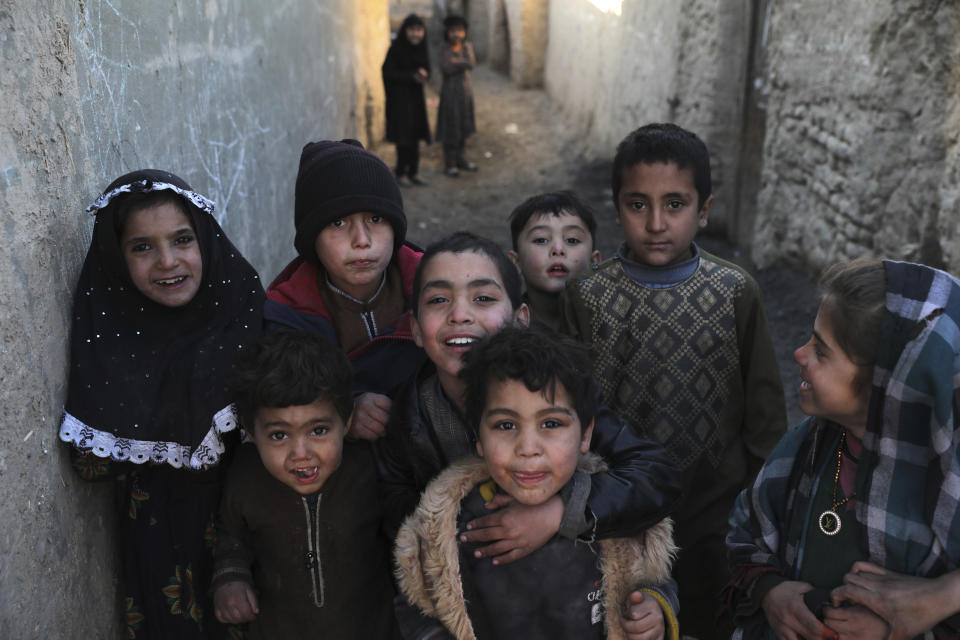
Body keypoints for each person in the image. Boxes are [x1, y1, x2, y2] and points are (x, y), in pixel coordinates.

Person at [374, 231, 682, 640]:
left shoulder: (561, 394)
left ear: (521, 318)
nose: (460, 314)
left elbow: (655, 475)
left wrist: (561, 513)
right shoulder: (404, 420)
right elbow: (406, 546)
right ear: (414, 328)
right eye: (438, 300)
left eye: (483, 298)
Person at [562, 122, 787, 638]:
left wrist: (766, 510)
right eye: (638, 205)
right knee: (628, 621)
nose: (656, 222)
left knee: (710, 617)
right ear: (617, 207)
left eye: (676, 204)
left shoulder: (735, 292)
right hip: (619, 513)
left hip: (717, 513)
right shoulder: (587, 297)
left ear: (703, 210)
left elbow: (765, 413)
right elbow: (569, 406)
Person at [57, 169, 265, 639]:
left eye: (182, 239)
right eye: (142, 247)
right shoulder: (111, 341)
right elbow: (88, 463)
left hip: (258, 534)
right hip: (160, 547)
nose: (168, 261)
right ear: (116, 259)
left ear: (207, 240)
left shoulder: (243, 316)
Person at [725, 258, 960, 640]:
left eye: (821, 351)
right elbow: (745, 532)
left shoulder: (946, 483)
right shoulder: (807, 448)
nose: (799, 355)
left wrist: (928, 608)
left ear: (885, 388)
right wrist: (772, 593)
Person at [211, 331, 397, 638]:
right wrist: (231, 580)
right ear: (250, 430)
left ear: (347, 421)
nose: (301, 454)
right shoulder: (245, 477)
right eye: (279, 435)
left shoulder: (368, 469)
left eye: (319, 430)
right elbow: (232, 536)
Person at [263, 139, 426, 440]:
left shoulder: (434, 289)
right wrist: (342, 412)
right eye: (338, 222)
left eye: (375, 219)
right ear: (312, 240)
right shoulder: (286, 317)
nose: (361, 240)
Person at [507, 190, 601, 332]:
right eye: (541, 240)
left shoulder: (611, 324)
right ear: (516, 263)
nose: (558, 249)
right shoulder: (506, 328)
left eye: (572, 240)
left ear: (595, 263)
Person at [383, 13, 431, 187]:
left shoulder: (422, 49)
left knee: (416, 135)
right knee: (403, 137)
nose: (416, 34)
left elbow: (427, 69)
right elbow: (387, 73)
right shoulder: (396, 49)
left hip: (416, 100)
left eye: (419, 30)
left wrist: (425, 76)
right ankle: (401, 172)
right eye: (412, 30)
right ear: (405, 31)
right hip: (400, 101)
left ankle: (414, 172)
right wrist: (411, 77)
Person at [436, 14, 477, 177]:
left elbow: (471, 63)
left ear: (464, 32)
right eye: (453, 31)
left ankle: (461, 159)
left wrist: (454, 61)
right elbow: (445, 67)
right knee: (450, 125)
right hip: (449, 92)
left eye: (460, 31)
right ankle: (450, 163)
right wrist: (461, 63)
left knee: (463, 123)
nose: (456, 34)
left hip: (465, 92)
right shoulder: (443, 48)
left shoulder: (467, 46)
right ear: (447, 32)